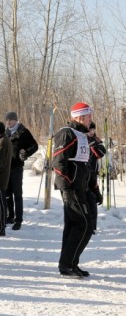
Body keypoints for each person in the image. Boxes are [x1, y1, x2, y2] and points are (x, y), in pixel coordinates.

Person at [52, 102, 96, 278]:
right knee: (84, 224)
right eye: (88, 116)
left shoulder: (82, 135)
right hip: (71, 188)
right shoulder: (66, 133)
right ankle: (68, 264)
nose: (91, 119)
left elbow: (85, 164)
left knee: (73, 226)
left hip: (81, 188)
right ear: (79, 116)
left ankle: (69, 264)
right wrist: (67, 184)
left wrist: (93, 187)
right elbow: (58, 162)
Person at [4, 111, 38, 230]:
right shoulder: (5, 132)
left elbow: (34, 145)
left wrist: (26, 152)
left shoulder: (23, 131)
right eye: (7, 120)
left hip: (17, 166)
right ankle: (9, 216)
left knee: (17, 194)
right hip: (6, 167)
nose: (8, 122)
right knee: (7, 193)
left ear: (16, 120)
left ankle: (18, 219)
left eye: (11, 120)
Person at [85, 122, 106, 233]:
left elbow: (101, 153)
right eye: (89, 130)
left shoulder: (96, 141)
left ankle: (92, 227)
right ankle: (84, 226)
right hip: (80, 174)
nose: (90, 132)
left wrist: (93, 144)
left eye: (92, 130)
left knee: (93, 199)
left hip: (92, 174)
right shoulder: (79, 139)